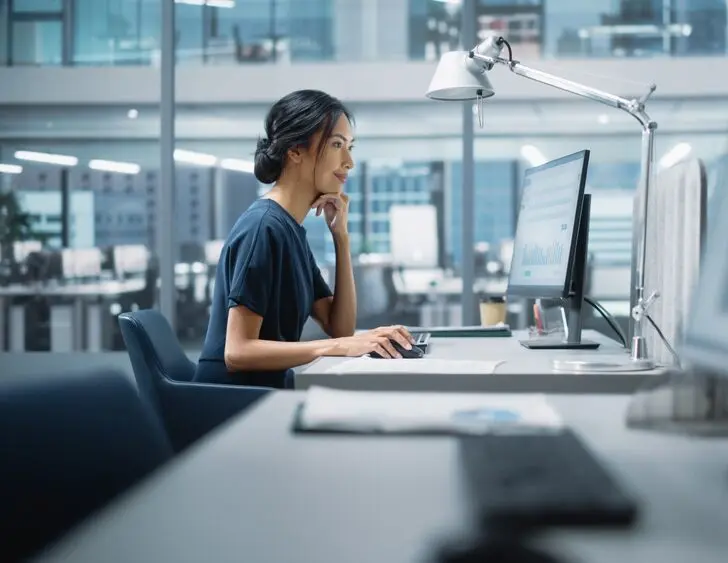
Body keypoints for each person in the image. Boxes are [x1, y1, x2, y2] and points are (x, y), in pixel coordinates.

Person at [195, 89, 415, 389]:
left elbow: (339, 327)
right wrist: (335, 348)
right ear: (295, 151)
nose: (349, 161)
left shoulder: (289, 229)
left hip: (268, 393)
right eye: (337, 145)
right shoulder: (263, 228)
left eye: (350, 147)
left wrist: (341, 237)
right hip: (233, 403)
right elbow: (237, 351)